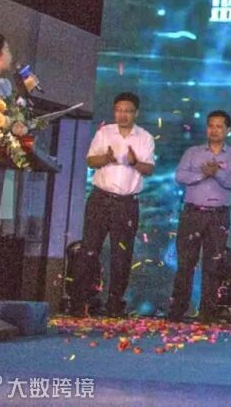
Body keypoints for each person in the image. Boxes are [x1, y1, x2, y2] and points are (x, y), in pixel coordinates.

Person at [70, 92, 156, 317]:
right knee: (89, 250)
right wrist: (106, 159)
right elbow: (90, 160)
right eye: (119, 110)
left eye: (128, 111)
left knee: (121, 255)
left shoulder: (145, 137)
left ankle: (115, 304)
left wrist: (134, 162)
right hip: (100, 199)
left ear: (136, 113)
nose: (123, 115)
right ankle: (80, 302)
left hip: (126, 203)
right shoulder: (104, 132)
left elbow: (149, 169)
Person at [168, 110, 231, 323]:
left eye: (219, 126)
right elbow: (180, 176)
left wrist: (218, 174)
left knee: (213, 265)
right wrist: (203, 174)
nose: (214, 130)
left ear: (228, 130)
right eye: (211, 125)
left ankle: (208, 313)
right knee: (185, 264)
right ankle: (177, 311)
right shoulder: (193, 153)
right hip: (193, 213)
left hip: (219, 216)